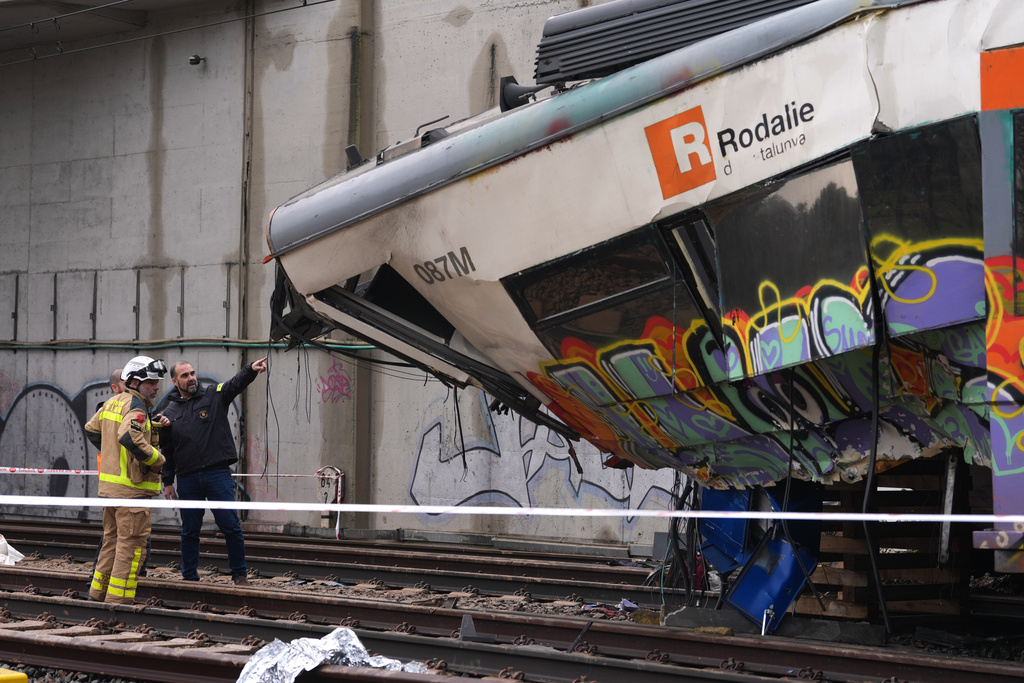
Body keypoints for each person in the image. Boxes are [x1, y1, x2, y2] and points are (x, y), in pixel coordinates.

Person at [161, 357, 268, 585]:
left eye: (192, 373)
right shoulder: (169, 412)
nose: (191, 378)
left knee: (230, 526)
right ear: (174, 381)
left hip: (217, 475)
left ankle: (239, 575)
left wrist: (250, 370)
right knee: (190, 530)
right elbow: (167, 450)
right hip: (187, 479)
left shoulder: (213, 395)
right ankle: (190, 576)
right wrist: (167, 480)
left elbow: (234, 384)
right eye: (184, 375)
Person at [83, 356, 168, 604]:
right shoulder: (137, 407)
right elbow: (129, 437)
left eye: (157, 382)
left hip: (112, 490)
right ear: (134, 382)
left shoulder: (112, 402)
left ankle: (98, 594)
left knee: (111, 542)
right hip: (132, 492)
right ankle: (118, 602)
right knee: (131, 549)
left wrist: (110, 453)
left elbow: (91, 428)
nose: (156, 387)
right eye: (151, 382)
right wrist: (158, 460)